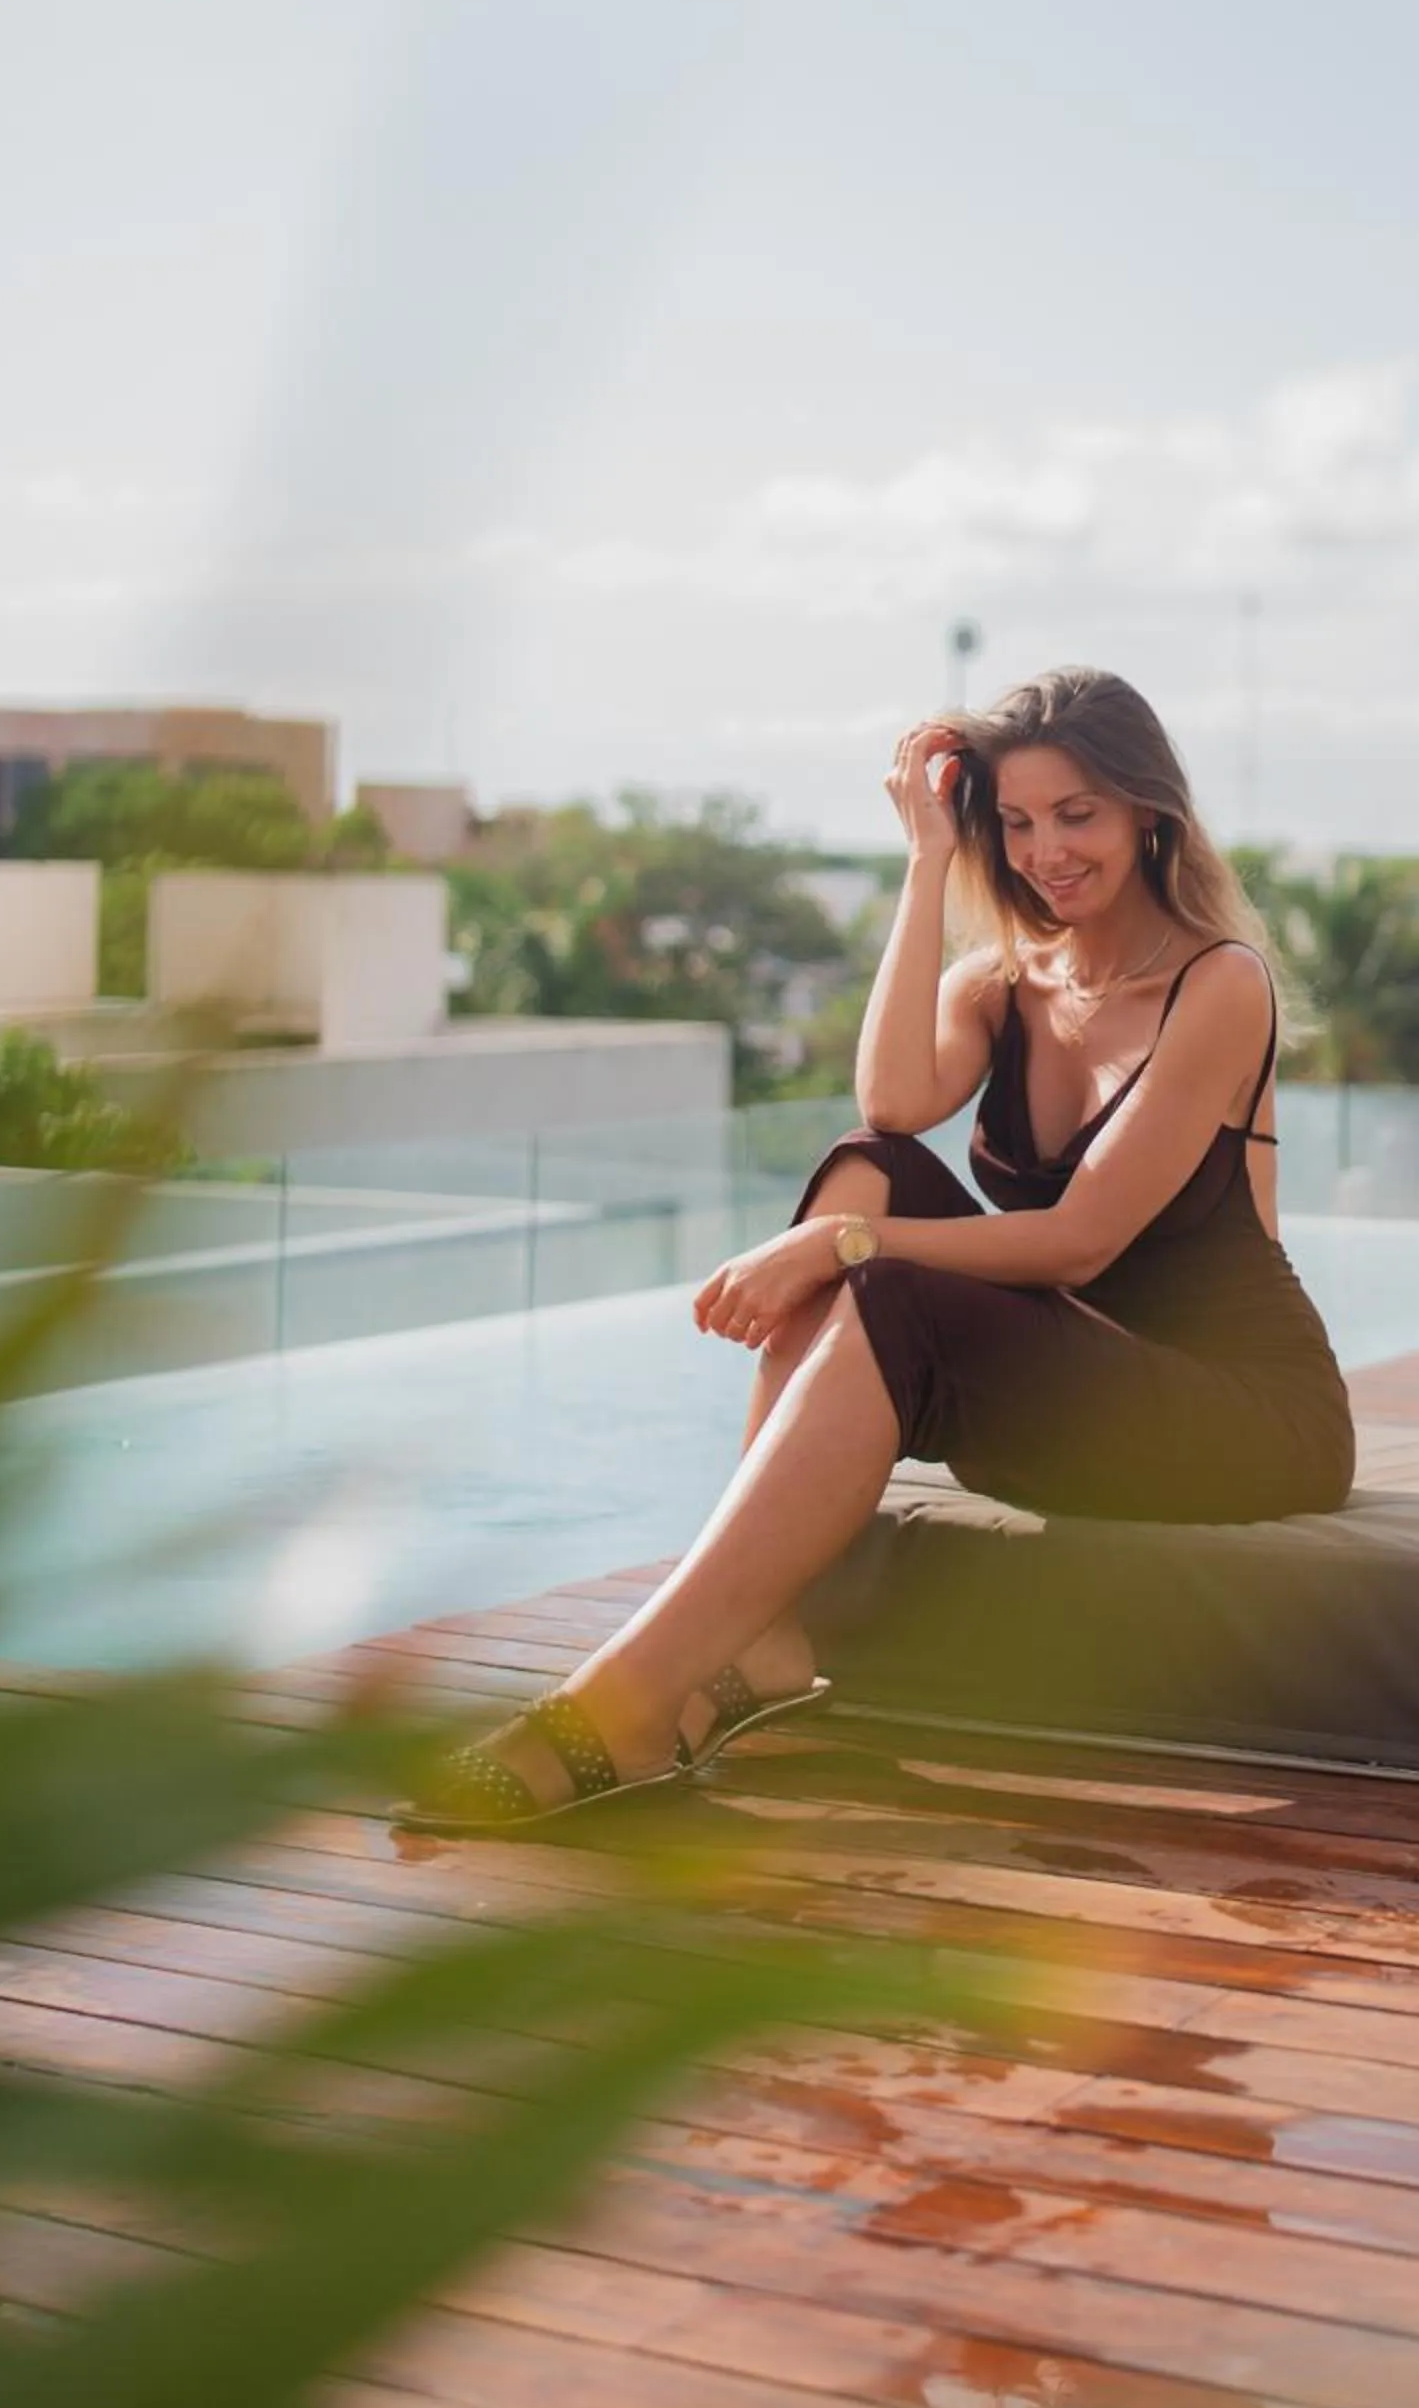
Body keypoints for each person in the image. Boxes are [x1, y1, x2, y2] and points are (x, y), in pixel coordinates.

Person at [399, 665, 1355, 1837]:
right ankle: (754, 1637)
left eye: (1077, 815)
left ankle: (625, 1701)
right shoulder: (1007, 984)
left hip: (1241, 1419)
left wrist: (833, 1247)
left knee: (879, 1260)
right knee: (870, 1164)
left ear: (1148, 812)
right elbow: (895, 1102)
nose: (1047, 850)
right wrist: (926, 862)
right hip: (1085, 1382)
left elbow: (1083, 1241)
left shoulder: (1219, 983)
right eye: (1014, 822)